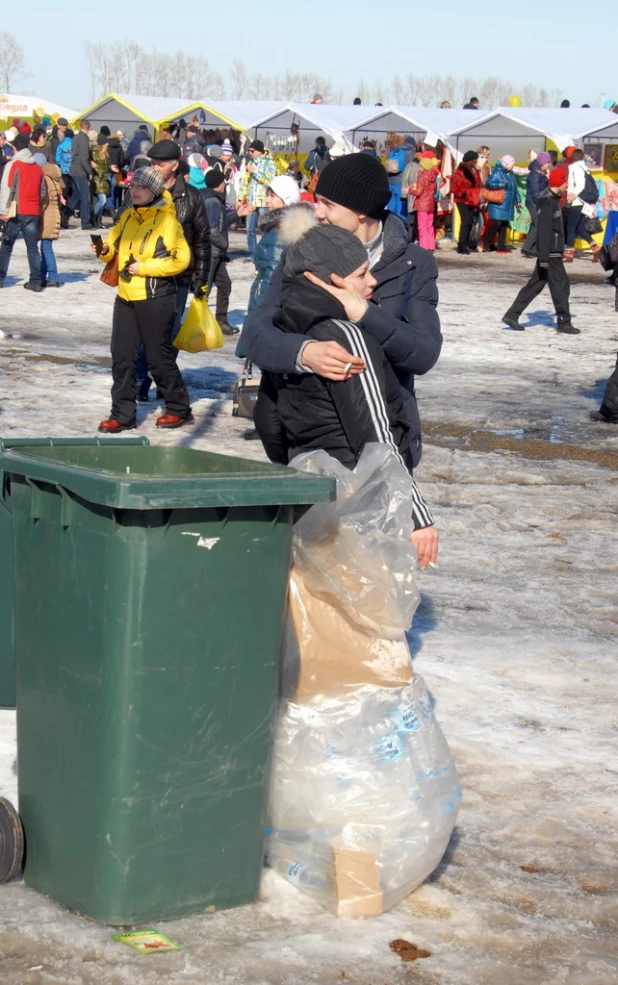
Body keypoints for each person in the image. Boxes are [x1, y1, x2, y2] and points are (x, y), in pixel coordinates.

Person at [253, 210, 438, 567]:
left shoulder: (288, 333)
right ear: (329, 281)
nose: (372, 283)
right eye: (362, 274)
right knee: (363, 614)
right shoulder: (348, 338)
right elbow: (377, 436)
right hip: (357, 501)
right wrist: (418, 518)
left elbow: (268, 420)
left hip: (307, 494)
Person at [240, 152, 442, 472]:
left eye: (328, 204)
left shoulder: (414, 264)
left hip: (385, 444)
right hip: (310, 446)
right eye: (317, 201)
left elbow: (424, 354)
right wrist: (304, 352)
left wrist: (366, 314)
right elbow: (253, 336)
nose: (317, 212)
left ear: (361, 210)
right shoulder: (304, 254)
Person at [94, 167, 193, 433]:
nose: (135, 191)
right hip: (126, 295)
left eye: (141, 187)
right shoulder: (127, 216)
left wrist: (146, 267)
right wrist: (103, 251)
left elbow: (181, 259)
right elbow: (113, 247)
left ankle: (178, 407)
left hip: (155, 296)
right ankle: (122, 414)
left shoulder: (167, 221)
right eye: (132, 186)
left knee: (157, 357)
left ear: (154, 191)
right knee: (122, 355)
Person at [127, 138, 211, 400]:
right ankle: (140, 380)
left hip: (178, 278)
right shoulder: (140, 192)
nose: (153, 167)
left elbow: (202, 240)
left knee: (170, 333)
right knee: (144, 332)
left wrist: (202, 279)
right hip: (144, 274)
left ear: (174, 166)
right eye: (151, 163)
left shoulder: (191, 196)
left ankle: (162, 380)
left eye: (159, 164)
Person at [501, 169, 579, 335]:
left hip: (550, 253)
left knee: (535, 285)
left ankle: (511, 315)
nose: (567, 184)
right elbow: (543, 231)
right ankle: (564, 322)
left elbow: (559, 223)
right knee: (561, 286)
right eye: (566, 181)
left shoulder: (553, 200)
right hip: (550, 254)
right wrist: (544, 258)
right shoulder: (548, 202)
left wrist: (568, 205)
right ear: (560, 182)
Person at [247, 175, 302, 316]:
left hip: (266, 302)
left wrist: (260, 311)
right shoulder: (284, 226)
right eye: (267, 196)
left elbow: (272, 276)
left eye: (272, 196)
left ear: (286, 199)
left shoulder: (280, 232)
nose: (267, 200)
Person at [0, 133, 45, 290]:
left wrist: (3, 211)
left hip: (16, 210)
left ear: (15, 147)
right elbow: (42, 192)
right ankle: (36, 281)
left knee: (6, 245)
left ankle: (0, 278)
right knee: (32, 248)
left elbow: (6, 188)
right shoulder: (38, 168)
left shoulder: (13, 165)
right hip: (33, 211)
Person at [201, 169, 237, 335]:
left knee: (224, 284)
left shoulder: (209, 198)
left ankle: (220, 320)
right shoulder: (213, 202)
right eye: (224, 182)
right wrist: (224, 245)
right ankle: (200, 324)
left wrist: (237, 215)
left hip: (215, 252)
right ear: (219, 184)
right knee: (205, 289)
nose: (225, 185)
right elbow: (213, 230)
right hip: (212, 252)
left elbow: (220, 223)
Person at [238, 140, 278, 260]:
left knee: (265, 229)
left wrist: (255, 171)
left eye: (252, 151)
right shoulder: (250, 162)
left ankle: (265, 254)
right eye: (249, 150)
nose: (250, 153)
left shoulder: (269, 163)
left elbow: (270, 180)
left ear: (259, 151)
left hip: (264, 201)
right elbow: (245, 181)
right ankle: (253, 255)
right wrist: (240, 198)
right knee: (249, 229)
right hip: (251, 200)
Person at [564, 148, 600, 262]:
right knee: (580, 227)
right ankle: (595, 247)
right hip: (584, 202)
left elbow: (580, 185)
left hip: (577, 202)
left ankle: (569, 253)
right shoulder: (584, 168)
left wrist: (572, 195)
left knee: (570, 226)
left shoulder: (576, 168)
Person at [482, 155, 521, 253]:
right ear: (506, 164)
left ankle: (501, 246)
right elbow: (489, 183)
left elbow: (514, 188)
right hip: (498, 204)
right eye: (512, 164)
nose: (513, 166)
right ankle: (486, 243)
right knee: (497, 223)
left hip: (508, 204)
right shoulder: (497, 172)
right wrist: (502, 185)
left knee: (504, 224)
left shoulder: (511, 174)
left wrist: (518, 199)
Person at [36, 151, 63, 288]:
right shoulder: (52, 177)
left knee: (46, 246)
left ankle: (53, 276)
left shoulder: (45, 179)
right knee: (45, 245)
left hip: (48, 216)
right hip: (53, 214)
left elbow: (43, 201)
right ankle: (43, 275)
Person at [64, 119, 96, 230]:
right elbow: (83, 157)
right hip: (80, 171)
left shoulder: (76, 138)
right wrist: (89, 171)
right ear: (88, 128)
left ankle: (64, 216)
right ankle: (85, 222)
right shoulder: (83, 139)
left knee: (76, 196)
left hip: (74, 169)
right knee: (85, 196)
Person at [451, 151, 482, 255]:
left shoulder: (474, 170)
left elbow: (478, 184)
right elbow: (455, 186)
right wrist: (463, 193)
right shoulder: (460, 171)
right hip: (462, 199)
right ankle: (461, 246)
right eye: (475, 159)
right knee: (466, 222)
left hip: (472, 199)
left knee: (470, 222)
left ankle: (466, 245)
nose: (477, 161)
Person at [521, 151, 551, 258]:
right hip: (534, 203)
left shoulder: (540, 173)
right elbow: (535, 193)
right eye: (548, 162)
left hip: (538, 202)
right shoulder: (535, 174)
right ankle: (526, 248)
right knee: (537, 224)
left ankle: (533, 248)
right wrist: (541, 203)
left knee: (537, 225)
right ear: (542, 163)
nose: (549, 165)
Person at [413, 153, 440, 252]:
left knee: (422, 226)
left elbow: (418, 192)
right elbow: (435, 190)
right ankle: (431, 246)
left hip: (422, 204)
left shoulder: (422, 177)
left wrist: (410, 190)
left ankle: (424, 247)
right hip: (431, 204)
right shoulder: (433, 177)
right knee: (430, 226)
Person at [401, 150, 421, 242]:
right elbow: (405, 180)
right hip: (414, 195)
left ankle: (411, 237)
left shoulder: (410, 166)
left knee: (413, 217)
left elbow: (405, 180)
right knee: (413, 218)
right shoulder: (415, 167)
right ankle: (411, 237)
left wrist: (404, 195)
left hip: (412, 195)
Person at [92, 134, 110, 228]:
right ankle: (93, 217)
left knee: (103, 201)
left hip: (104, 179)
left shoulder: (106, 153)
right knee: (102, 200)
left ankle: (99, 220)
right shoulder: (95, 152)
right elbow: (95, 164)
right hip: (98, 178)